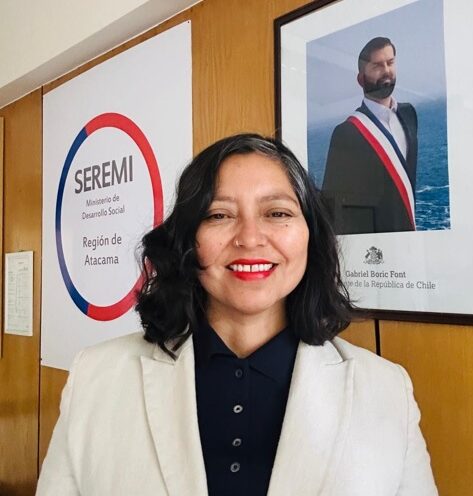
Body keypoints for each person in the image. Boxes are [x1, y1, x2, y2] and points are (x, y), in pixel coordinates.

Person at [37, 134, 437, 495]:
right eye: (218, 215)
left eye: (277, 213)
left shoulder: (386, 391)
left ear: (311, 234)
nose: (249, 238)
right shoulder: (96, 377)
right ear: (187, 239)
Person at [321, 37, 418, 235]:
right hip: (375, 244)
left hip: (409, 239)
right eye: (377, 66)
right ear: (361, 79)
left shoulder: (409, 114)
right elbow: (333, 207)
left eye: (390, 62)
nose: (386, 70)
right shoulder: (346, 133)